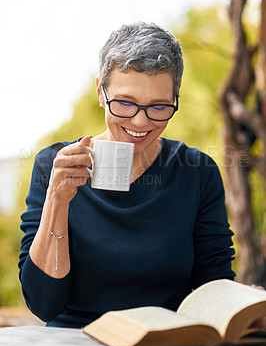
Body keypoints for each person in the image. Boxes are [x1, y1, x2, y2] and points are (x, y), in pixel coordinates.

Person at [19, 21, 236, 328]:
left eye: (159, 106)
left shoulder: (197, 172)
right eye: (124, 103)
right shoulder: (54, 166)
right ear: (100, 92)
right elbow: (44, 305)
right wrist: (57, 201)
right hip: (74, 344)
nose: (140, 121)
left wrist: (238, 302)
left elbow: (212, 286)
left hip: (165, 344)